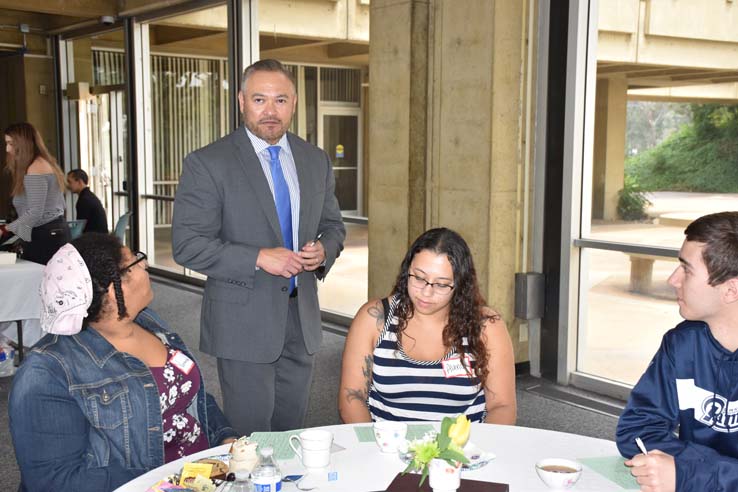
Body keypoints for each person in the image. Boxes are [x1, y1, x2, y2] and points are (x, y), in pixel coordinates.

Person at [172, 59, 346, 435]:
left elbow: (333, 226)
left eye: (280, 100)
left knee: (291, 431)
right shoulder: (208, 163)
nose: (270, 111)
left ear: (294, 103)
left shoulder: (315, 160)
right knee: (252, 437)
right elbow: (187, 245)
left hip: (302, 319)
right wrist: (257, 257)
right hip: (242, 322)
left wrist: (323, 251)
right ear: (241, 101)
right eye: (259, 100)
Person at [9, 233, 238, 491]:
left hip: (204, 478)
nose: (145, 265)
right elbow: (55, 482)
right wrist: (171, 480)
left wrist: (224, 438)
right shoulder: (47, 373)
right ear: (112, 288)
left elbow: (190, 396)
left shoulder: (149, 322)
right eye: (135, 262)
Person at [338, 228, 516, 424]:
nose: (426, 292)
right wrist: (375, 447)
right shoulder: (374, 319)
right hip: (387, 447)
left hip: (462, 449)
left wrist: (474, 452)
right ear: (407, 271)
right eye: (419, 278)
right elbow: (352, 398)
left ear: (461, 285)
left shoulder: (485, 326)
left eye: (441, 284)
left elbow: (502, 406)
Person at [616, 211, 738, 492]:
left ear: (730, 290)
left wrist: (691, 473)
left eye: (687, 269)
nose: (673, 279)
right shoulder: (682, 344)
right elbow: (636, 431)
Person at [1, 122, 70, 264]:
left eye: (11, 144)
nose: (7, 149)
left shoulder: (36, 167)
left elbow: (35, 212)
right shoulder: (38, 165)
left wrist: (5, 229)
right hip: (46, 233)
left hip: (46, 236)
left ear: (23, 144)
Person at [67, 168, 109, 234]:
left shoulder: (84, 200)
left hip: (94, 239)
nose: (68, 185)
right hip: (101, 237)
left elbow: (80, 228)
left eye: (69, 182)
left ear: (79, 182)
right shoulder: (89, 196)